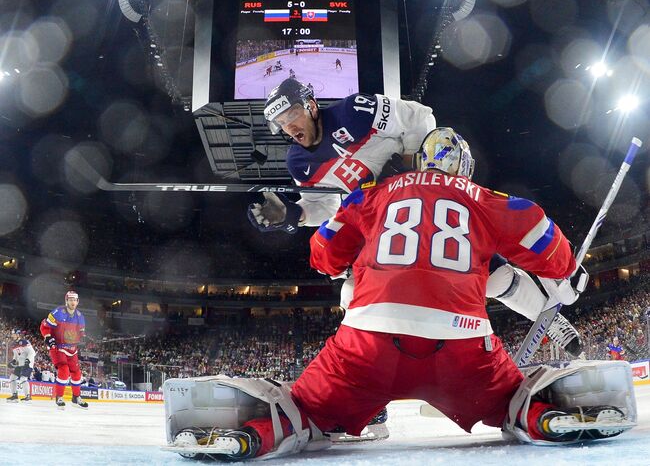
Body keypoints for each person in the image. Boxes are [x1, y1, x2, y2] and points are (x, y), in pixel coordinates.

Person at [167, 129, 633, 461]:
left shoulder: (375, 193)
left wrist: (346, 258)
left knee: (304, 410)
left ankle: (259, 429)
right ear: (463, 168)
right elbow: (538, 231)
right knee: (511, 400)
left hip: (367, 342)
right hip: (461, 345)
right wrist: (569, 272)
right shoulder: (484, 198)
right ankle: (541, 414)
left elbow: (323, 254)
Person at [248, 79, 583, 357]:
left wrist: (409, 160)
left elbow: (421, 117)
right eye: (280, 122)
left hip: (418, 195)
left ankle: (548, 317)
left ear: (310, 105)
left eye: (292, 113)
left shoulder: (355, 110)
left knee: (487, 272)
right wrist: (295, 213)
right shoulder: (297, 163)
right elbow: (327, 207)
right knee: (352, 294)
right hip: (377, 220)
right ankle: (366, 377)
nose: (288, 126)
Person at [39, 290, 89, 408]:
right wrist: (48, 337)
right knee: (64, 370)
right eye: (70, 299)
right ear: (66, 301)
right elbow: (44, 326)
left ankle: (76, 397)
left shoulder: (80, 316)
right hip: (58, 347)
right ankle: (59, 397)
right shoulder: (58, 313)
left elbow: (81, 333)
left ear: (77, 302)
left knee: (77, 374)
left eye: (74, 300)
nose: (72, 302)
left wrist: (84, 339)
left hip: (72, 349)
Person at [6, 329, 36, 402]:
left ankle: (28, 397)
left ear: (18, 334)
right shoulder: (13, 344)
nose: (12, 335)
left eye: (13, 334)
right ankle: (14, 395)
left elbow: (32, 352)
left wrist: (28, 360)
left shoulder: (24, 342)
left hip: (27, 364)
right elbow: (16, 356)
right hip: (20, 364)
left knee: (23, 379)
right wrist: (13, 361)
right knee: (12, 378)